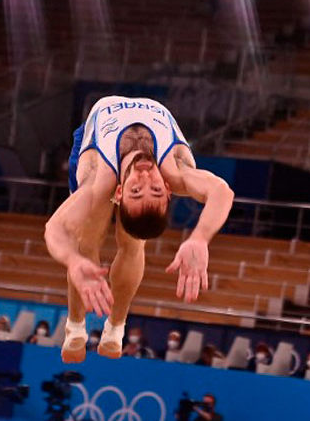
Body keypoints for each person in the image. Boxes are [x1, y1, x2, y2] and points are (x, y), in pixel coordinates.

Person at [45, 96, 236, 363]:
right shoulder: (177, 171)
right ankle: (75, 326)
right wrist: (200, 238)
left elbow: (53, 228)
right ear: (168, 189)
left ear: (121, 192)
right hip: (112, 142)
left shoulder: (98, 179)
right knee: (87, 242)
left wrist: (72, 259)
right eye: (155, 189)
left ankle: (115, 327)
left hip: (100, 153)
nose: (146, 177)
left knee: (126, 243)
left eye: (137, 191)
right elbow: (221, 191)